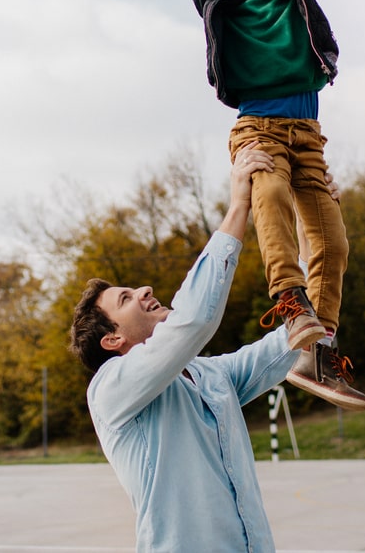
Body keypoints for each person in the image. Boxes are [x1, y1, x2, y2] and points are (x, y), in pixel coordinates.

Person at [179, 0, 365, 411]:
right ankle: (289, 298)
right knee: (270, 192)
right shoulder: (219, 6)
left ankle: (318, 349)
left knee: (334, 240)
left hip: (309, 133)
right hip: (256, 128)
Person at [70, 144, 299, 552]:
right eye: (125, 299)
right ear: (113, 340)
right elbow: (193, 321)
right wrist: (239, 206)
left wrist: (318, 222)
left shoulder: (210, 374)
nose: (145, 290)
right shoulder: (110, 389)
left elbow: (297, 339)